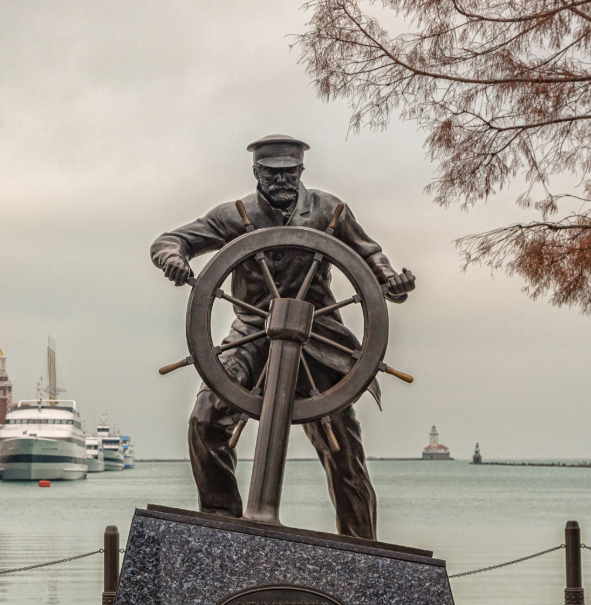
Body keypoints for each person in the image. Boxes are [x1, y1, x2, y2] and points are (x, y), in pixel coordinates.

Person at [150, 134, 415, 539]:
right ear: (256, 172)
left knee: (342, 450)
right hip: (252, 333)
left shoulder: (330, 210)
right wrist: (172, 258)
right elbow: (171, 240)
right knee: (206, 420)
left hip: (319, 336)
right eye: (272, 173)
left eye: (289, 173)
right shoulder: (233, 216)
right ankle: (224, 526)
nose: (281, 180)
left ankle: (362, 550)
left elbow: (370, 256)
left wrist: (389, 280)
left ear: (301, 171)